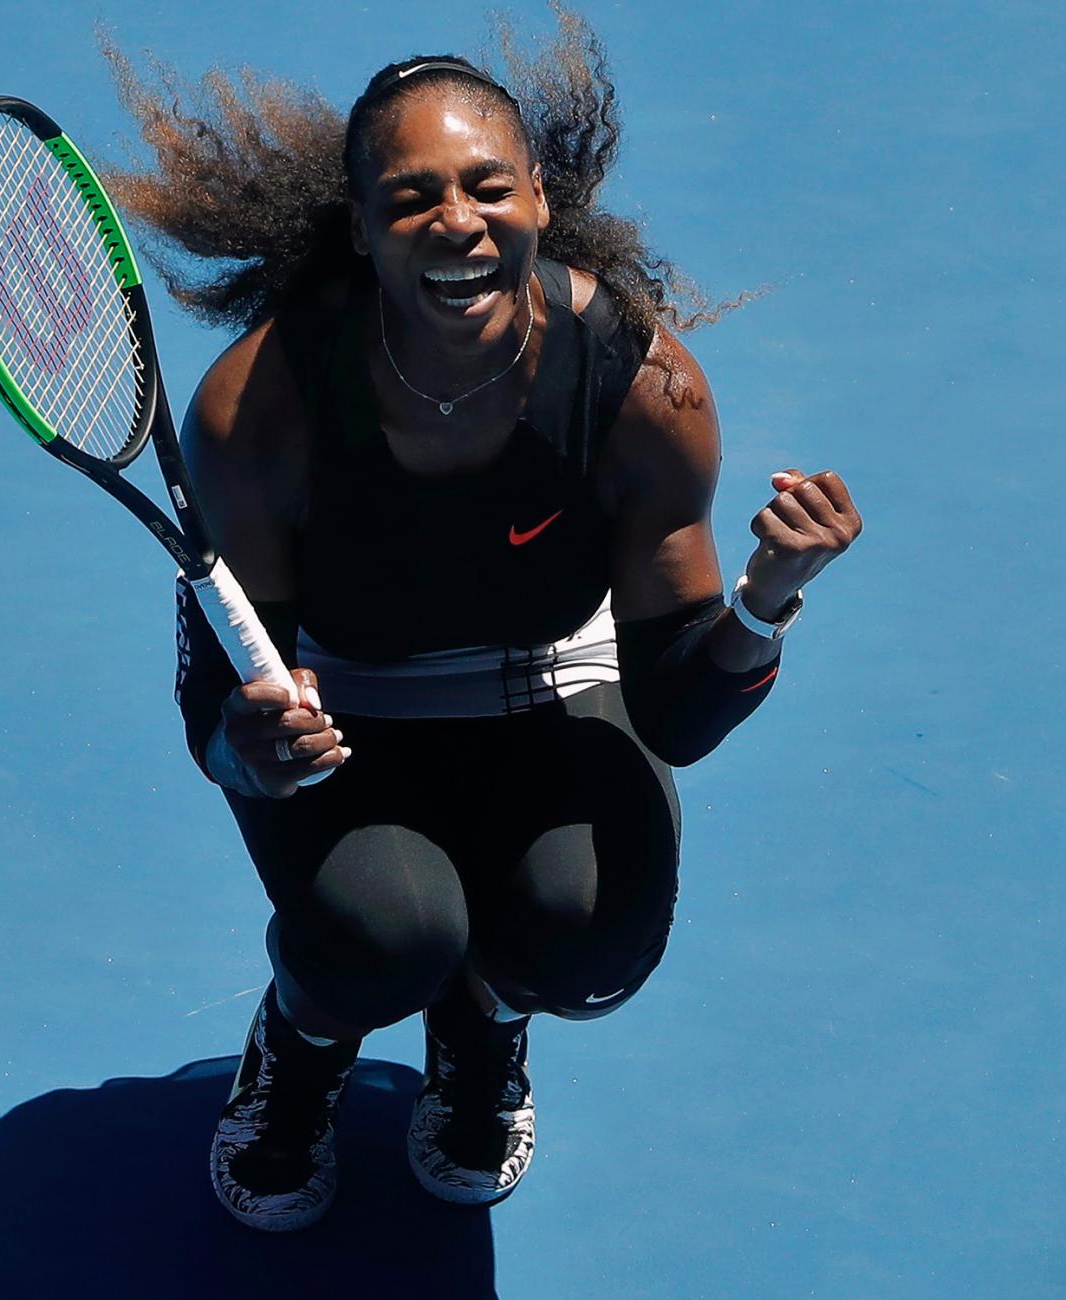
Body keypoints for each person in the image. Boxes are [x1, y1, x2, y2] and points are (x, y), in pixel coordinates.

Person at [106, 18, 862, 1231]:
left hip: (554, 695)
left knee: (588, 942)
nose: (454, 220)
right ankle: (298, 1052)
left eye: (485, 186)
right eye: (409, 199)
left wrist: (763, 602)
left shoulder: (640, 386)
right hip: (349, 718)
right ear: (360, 230)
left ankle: (484, 1021)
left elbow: (669, 702)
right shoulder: (262, 407)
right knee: (381, 937)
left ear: (538, 200)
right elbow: (217, 696)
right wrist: (242, 744)